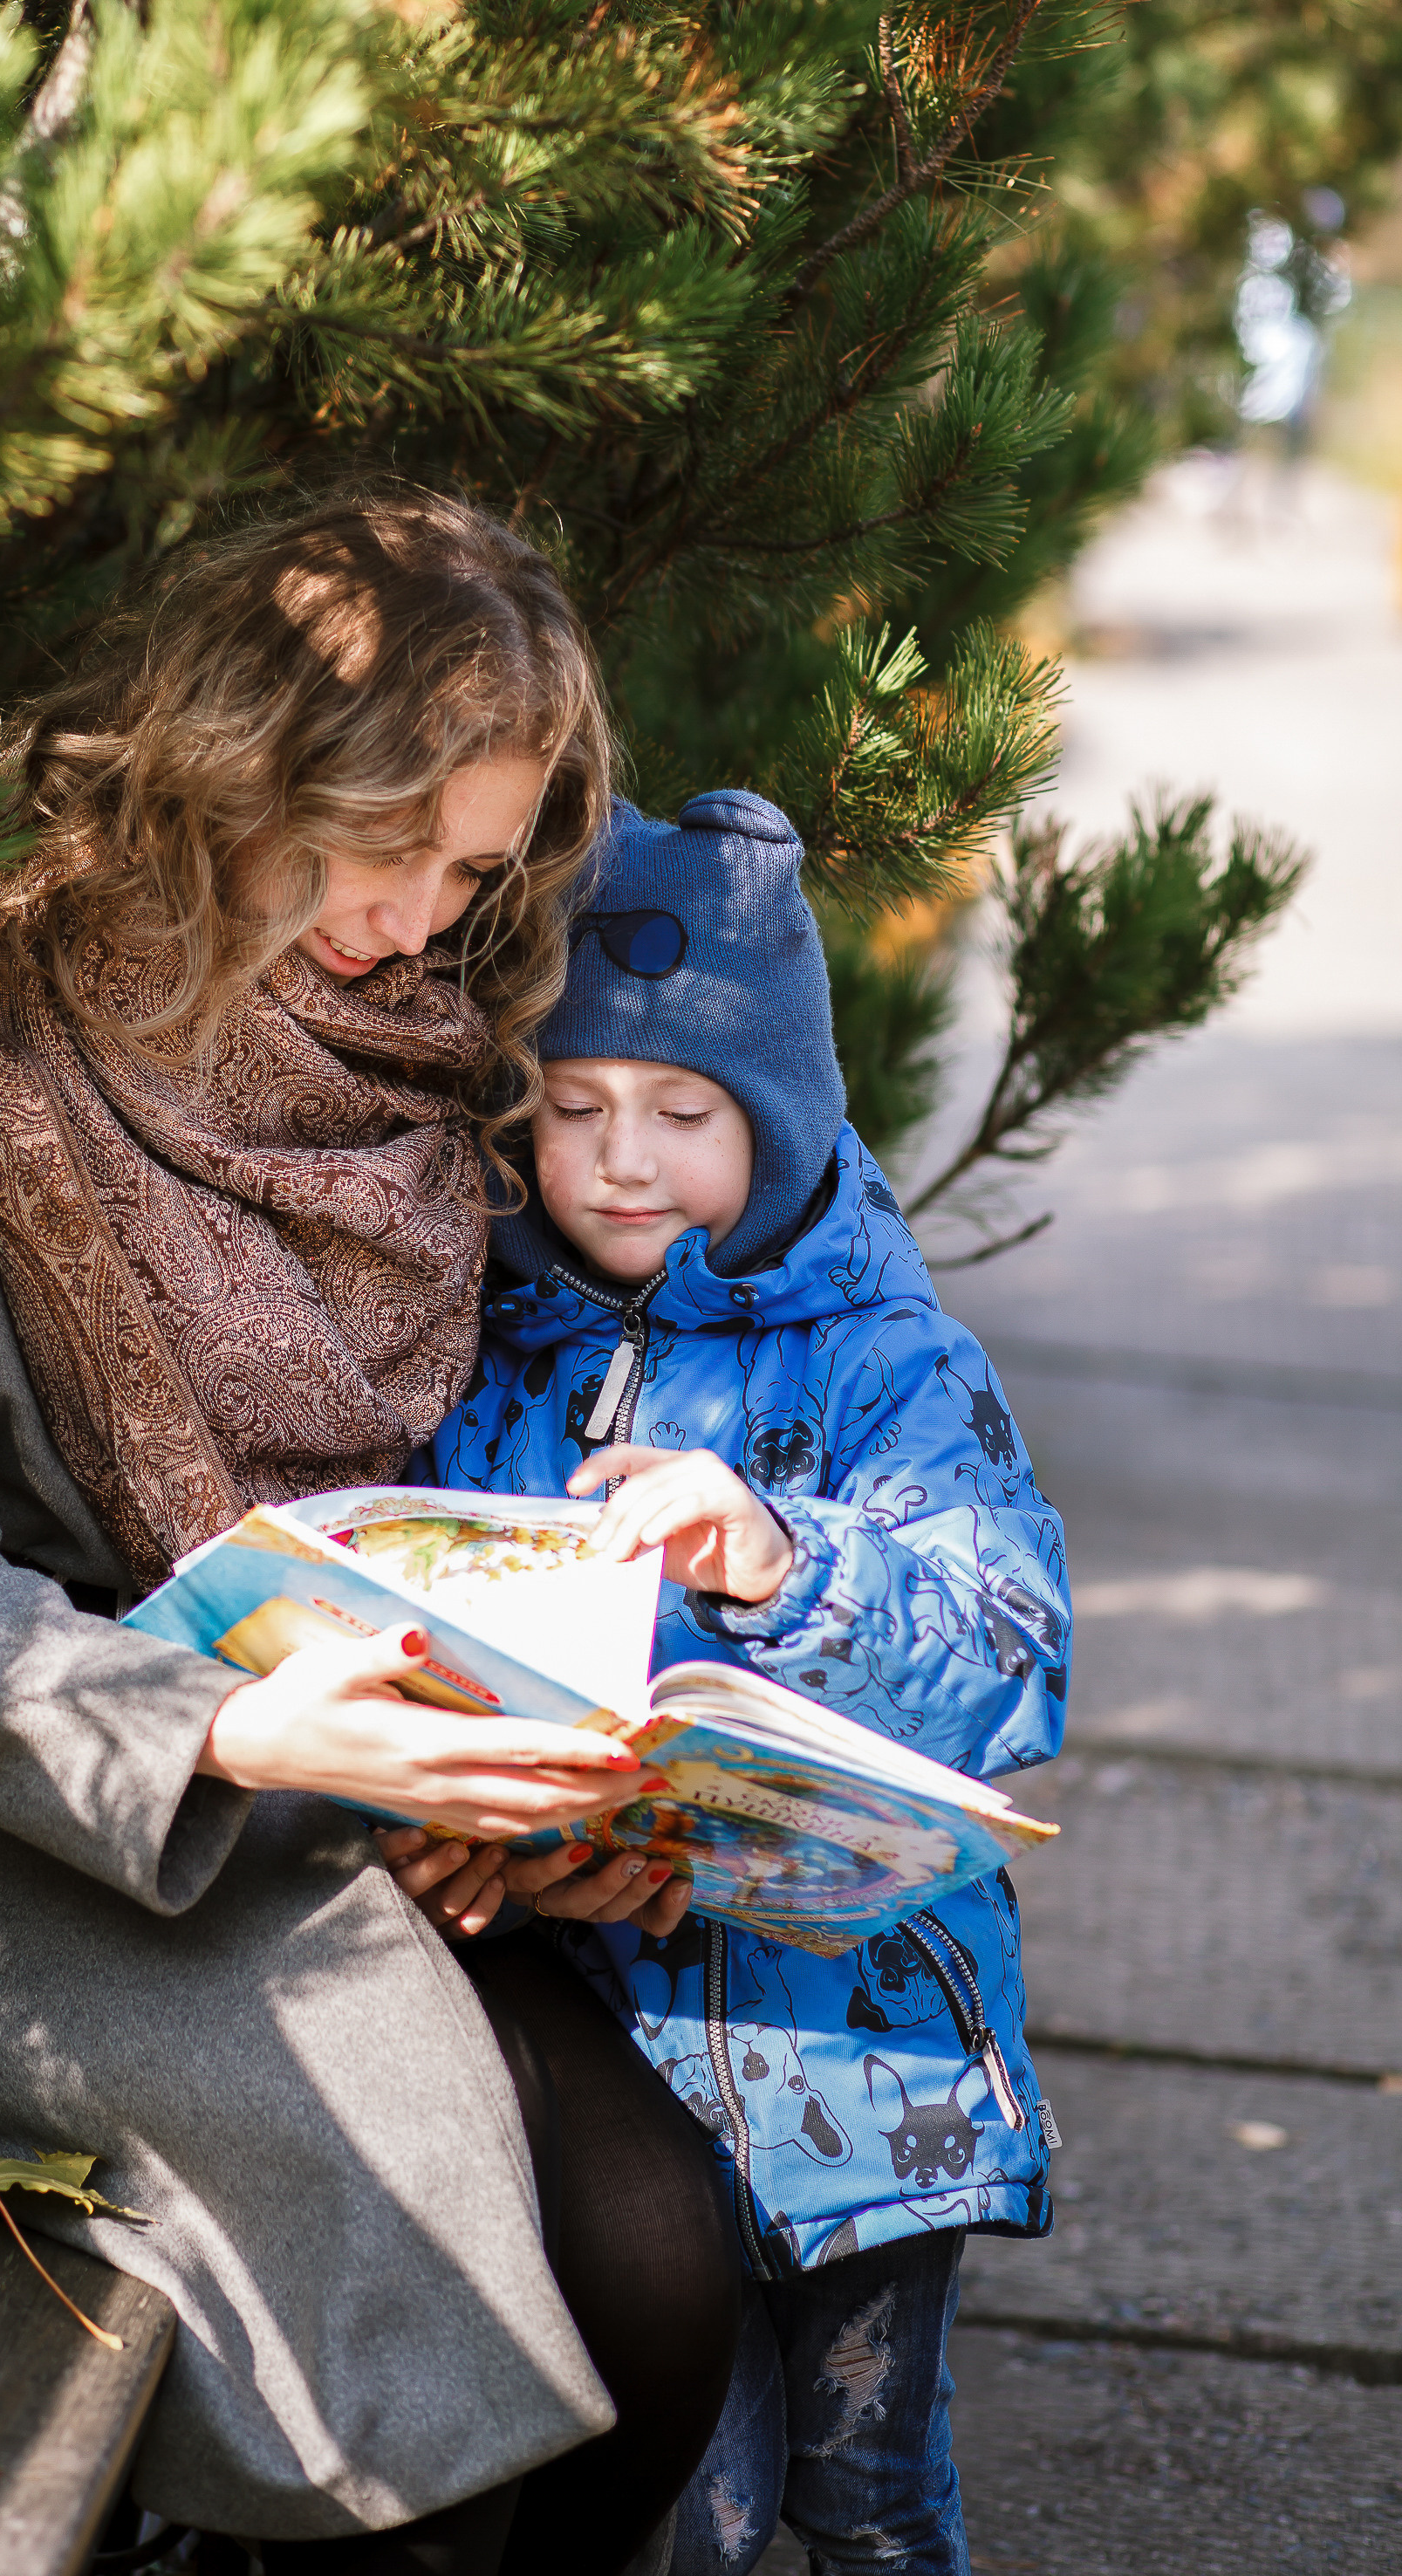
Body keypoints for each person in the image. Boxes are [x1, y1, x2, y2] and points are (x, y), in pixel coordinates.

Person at [0, 494, 742, 2576]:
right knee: (406, 2259)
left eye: (476, 868)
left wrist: (535, 1773)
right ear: (243, 757)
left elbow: (441, 1523)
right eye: (386, 843)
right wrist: (228, 1738)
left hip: (323, 1792)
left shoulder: (417, 1061)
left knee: (659, 2262)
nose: (424, 921)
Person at [403, 789, 1071, 2576]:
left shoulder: (888, 1361)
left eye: (684, 1113)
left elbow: (1014, 1663)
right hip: (624, 2046)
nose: (623, 1159)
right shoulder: (495, 1359)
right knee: (690, 2511)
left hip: (870, 2055)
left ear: (775, 1126)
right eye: (572, 1107)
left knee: (873, 2503)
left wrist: (786, 1562)